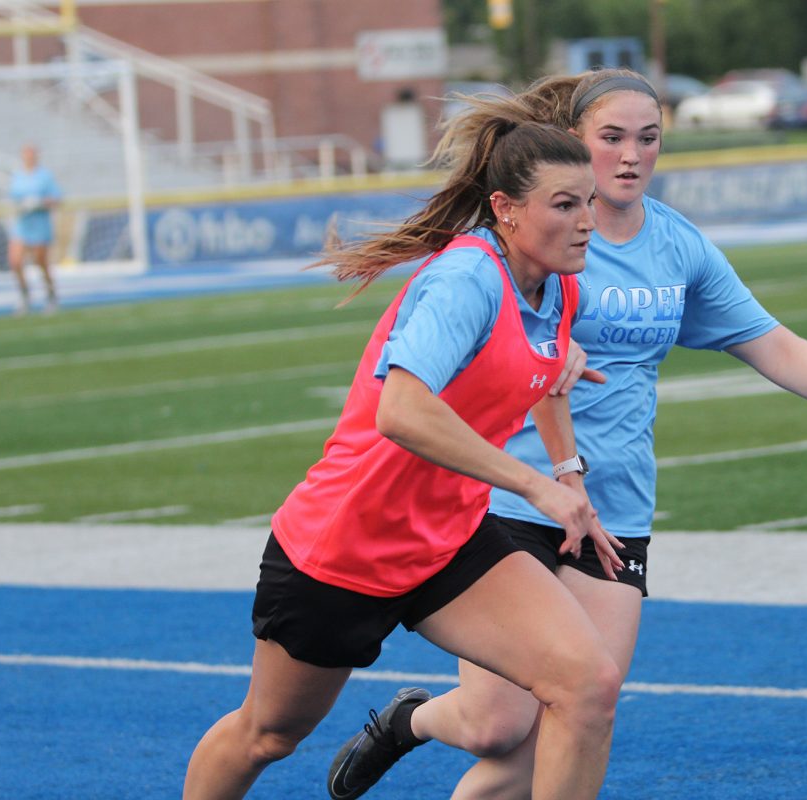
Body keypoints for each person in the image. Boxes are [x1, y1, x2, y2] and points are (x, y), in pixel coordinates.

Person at [328, 69, 807, 800]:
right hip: (512, 502)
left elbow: (764, 338)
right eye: (612, 138)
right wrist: (558, 456)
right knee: (494, 727)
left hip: (617, 511)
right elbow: (503, 358)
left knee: (565, 724)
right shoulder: (525, 241)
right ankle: (410, 722)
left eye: (649, 139)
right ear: (573, 144)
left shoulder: (677, 245)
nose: (632, 155)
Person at [182, 119, 634, 800]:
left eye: (589, 203)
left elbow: (541, 372)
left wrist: (570, 470)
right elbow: (402, 410)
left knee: (587, 684)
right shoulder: (464, 280)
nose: (586, 222)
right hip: (346, 545)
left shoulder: (561, 285)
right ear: (507, 211)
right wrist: (536, 487)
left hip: (449, 538)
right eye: (565, 205)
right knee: (269, 734)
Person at [7, 143, 61, 315]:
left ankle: (51, 295)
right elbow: (13, 199)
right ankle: (25, 295)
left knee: (41, 263)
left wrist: (40, 202)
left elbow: (57, 199)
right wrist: (23, 205)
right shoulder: (18, 176)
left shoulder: (45, 176)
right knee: (15, 261)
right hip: (23, 225)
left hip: (40, 225)